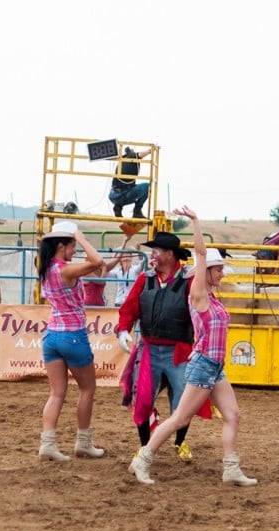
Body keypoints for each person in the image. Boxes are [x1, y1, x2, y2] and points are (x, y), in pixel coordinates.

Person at [129, 206, 257, 487]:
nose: (222, 274)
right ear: (206, 272)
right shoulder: (198, 295)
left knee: (233, 415)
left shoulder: (212, 299)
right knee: (179, 418)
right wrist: (196, 222)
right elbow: (200, 254)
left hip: (214, 366)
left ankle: (231, 468)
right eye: (218, 269)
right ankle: (143, 458)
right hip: (202, 365)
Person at [116, 231, 199, 461]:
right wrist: (123, 329)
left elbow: (201, 311)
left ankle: (180, 442)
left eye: (156, 251)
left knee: (183, 401)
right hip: (149, 349)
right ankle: (145, 446)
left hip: (179, 352)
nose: (151, 255)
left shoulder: (190, 280)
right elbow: (129, 309)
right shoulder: (145, 279)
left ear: (170, 255)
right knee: (142, 400)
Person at [37, 221, 106, 462]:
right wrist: (83, 238)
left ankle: (48, 442)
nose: (75, 249)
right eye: (72, 245)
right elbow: (98, 262)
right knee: (87, 389)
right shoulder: (64, 270)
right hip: (73, 334)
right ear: (62, 246)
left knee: (56, 393)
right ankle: (83, 442)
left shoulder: (46, 269)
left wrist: (76, 239)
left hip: (52, 334)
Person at [109, 146, 152, 218]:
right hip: (125, 195)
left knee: (130, 188)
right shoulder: (130, 157)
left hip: (113, 196)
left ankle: (118, 207)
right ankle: (137, 211)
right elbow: (139, 155)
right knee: (148, 186)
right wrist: (149, 151)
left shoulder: (121, 161)